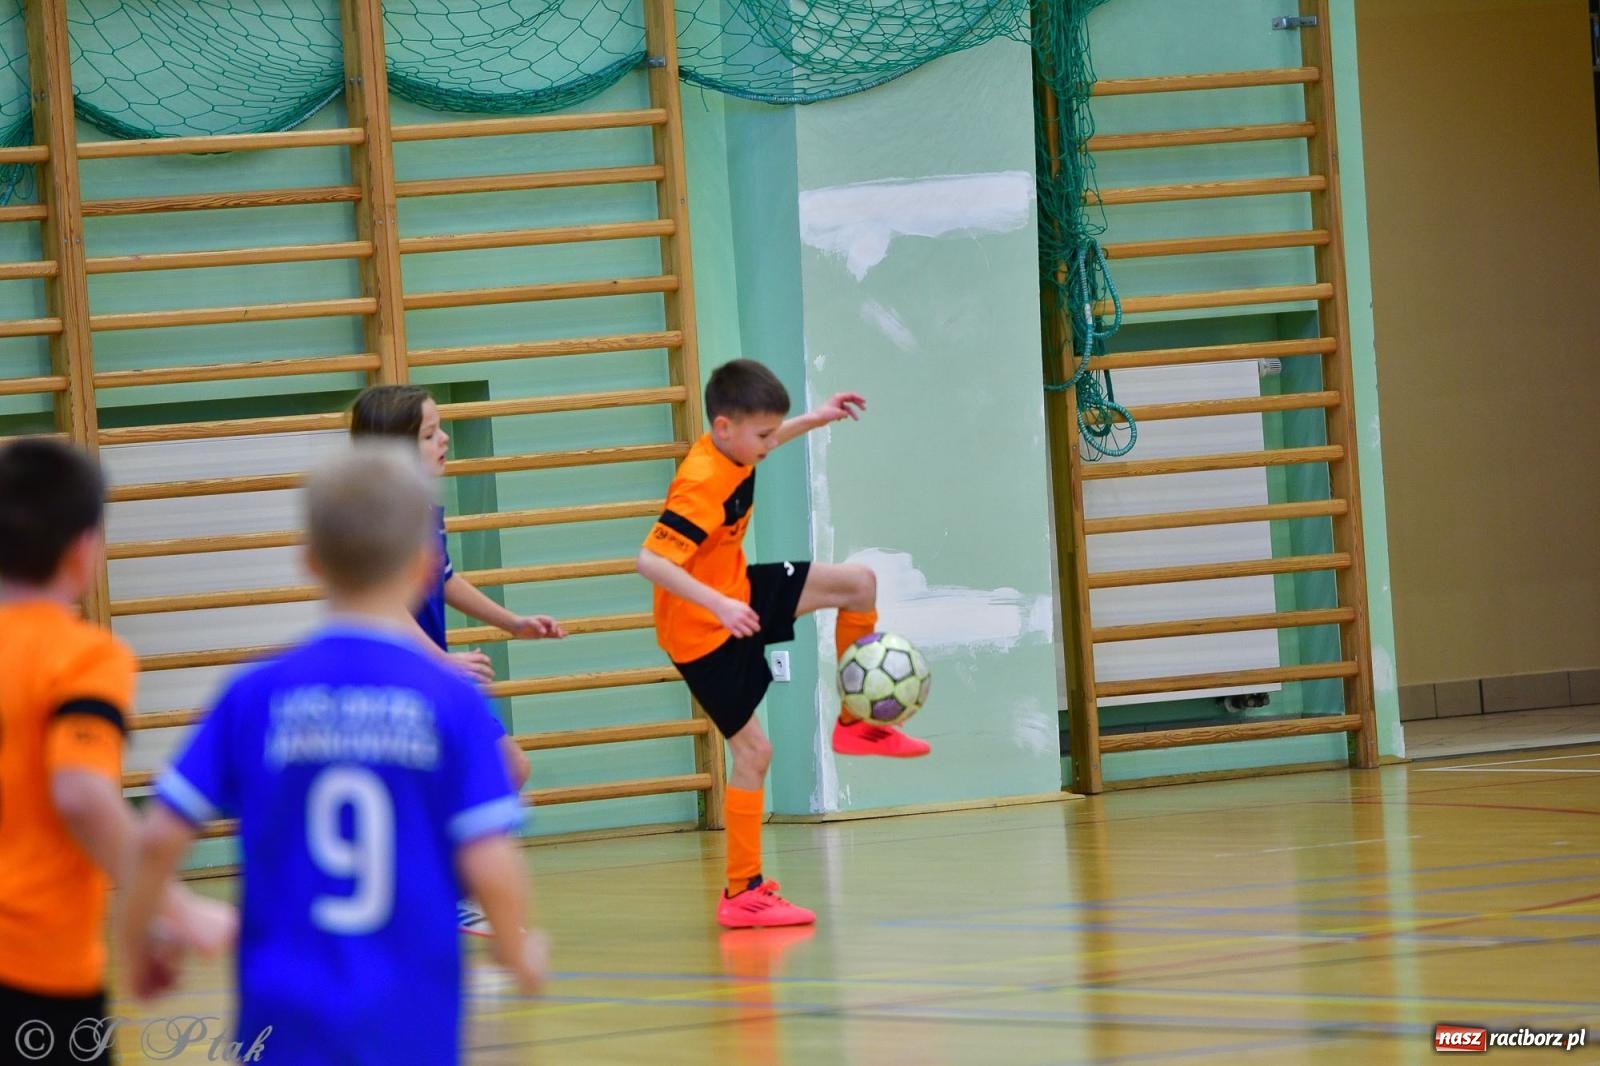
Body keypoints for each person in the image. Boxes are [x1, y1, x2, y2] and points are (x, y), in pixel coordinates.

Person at [120, 444, 546, 1066]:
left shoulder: (254, 693)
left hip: (281, 1018)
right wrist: (515, 951)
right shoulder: (447, 701)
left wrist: (138, 941)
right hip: (412, 1019)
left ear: (310, 560)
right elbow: (490, 857)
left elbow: (157, 839)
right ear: (427, 567)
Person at [636, 359, 931, 930]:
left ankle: (855, 722)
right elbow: (649, 560)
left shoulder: (736, 448)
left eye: (774, 431)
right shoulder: (702, 483)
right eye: (764, 435)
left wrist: (817, 418)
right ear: (725, 428)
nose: (771, 443)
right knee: (754, 754)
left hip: (738, 592)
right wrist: (718, 605)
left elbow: (769, 438)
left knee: (858, 584)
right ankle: (741, 891)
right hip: (702, 634)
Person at [0, 438, 231, 1065]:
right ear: (83, 549)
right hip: (32, 973)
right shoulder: (80, 656)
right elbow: (79, 792)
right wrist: (173, 907)